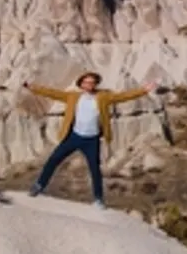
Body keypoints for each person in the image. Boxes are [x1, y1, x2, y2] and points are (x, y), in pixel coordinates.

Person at [22, 72, 157, 208]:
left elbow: (122, 97)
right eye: (86, 82)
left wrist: (143, 90)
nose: (89, 85)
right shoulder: (73, 96)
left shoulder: (103, 97)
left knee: (95, 170)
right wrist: (32, 87)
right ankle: (39, 185)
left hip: (92, 140)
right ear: (81, 84)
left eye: (92, 82)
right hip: (74, 137)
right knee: (53, 160)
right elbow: (52, 93)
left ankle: (98, 199)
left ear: (96, 84)